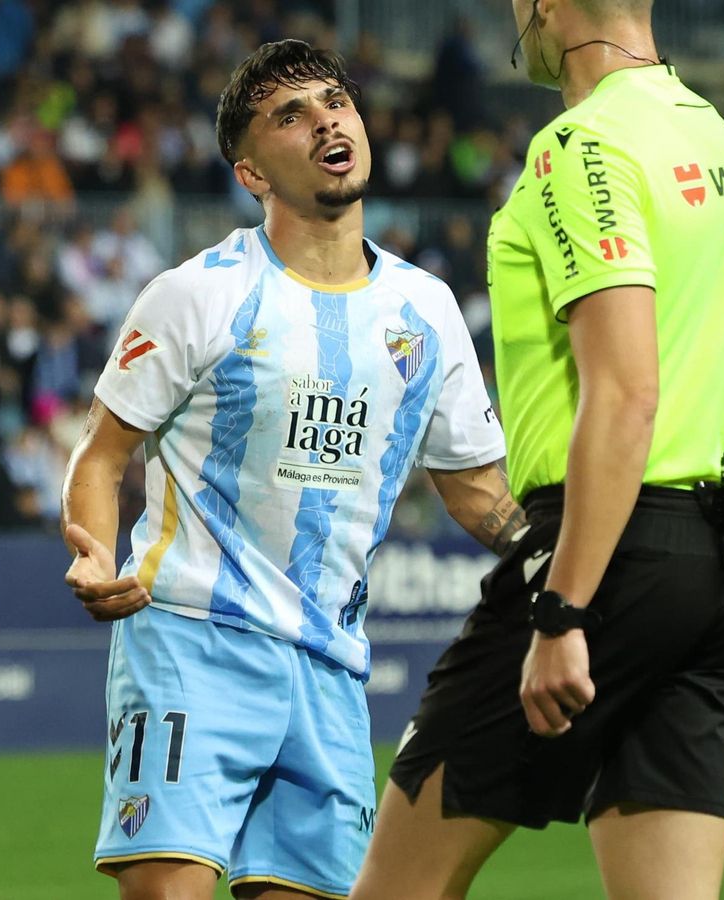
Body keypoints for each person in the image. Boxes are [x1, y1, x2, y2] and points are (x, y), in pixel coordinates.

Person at [62, 40, 515, 900]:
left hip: (330, 664)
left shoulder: (426, 308)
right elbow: (102, 454)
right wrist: (91, 547)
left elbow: (478, 492)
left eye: (335, 102)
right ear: (250, 171)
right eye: (290, 116)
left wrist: (564, 563)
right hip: (190, 637)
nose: (326, 122)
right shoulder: (197, 294)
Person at [352, 1, 724, 898]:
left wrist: (563, 608)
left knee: (396, 890)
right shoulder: (714, 137)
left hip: (607, 554)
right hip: (719, 560)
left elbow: (626, 390)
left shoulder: (579, 148)